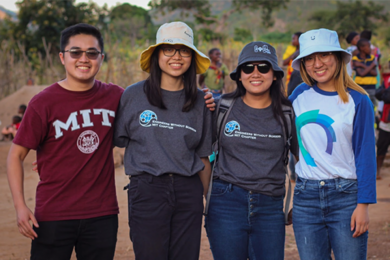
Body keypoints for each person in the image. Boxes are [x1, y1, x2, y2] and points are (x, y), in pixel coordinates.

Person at [7, 23, 122, 259]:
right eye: (75, 52)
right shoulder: (43, 103)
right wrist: (20, 206)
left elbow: (155, 105)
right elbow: (15, 156)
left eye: (92, 53)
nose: (84, 59)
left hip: (102, 214)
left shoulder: (117, 96)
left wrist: (203, 97)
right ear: (62, 57)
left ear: (101, 57)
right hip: (53, 214)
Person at [113, 21, 212, 260]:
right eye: (169, 49)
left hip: (188, 191)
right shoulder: (133, 95)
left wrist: (209, 199)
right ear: (157, 54)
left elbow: (203, 156)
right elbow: (114, 143)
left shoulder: (201, 102)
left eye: (184, 50)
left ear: (191, 57)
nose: (176, 57)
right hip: (147, 190)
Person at [205, 41, 298, 260]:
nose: (256, 73)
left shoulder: (287, 113)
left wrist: (301, 201)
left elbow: (304, 159)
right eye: (248, 68)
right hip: (225, 203)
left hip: (270, 206)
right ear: (239, 75)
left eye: (263, 67)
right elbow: (200, 153)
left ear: (275, 74)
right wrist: (207, 195)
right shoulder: (220, 107)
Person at [289, 28, 376, 259]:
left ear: (337, 58)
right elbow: (270, 121)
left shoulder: (358, 100)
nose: (317, 63)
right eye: (309, 58)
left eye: (324, 55)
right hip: (305, 198)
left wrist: (363, 205)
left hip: (346, 197)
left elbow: (365, 154)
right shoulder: (298, 95)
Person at [352, 38, 377, 106]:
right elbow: (361, 74)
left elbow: (375, 73)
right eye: (368, 47)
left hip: (371, 87)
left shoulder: (372, 57)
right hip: (360, 87)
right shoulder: (355, 58)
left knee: (372, 105)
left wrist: (361, 65)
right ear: (362, 48)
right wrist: (372, 66)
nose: (370, 49)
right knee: (361, 105)